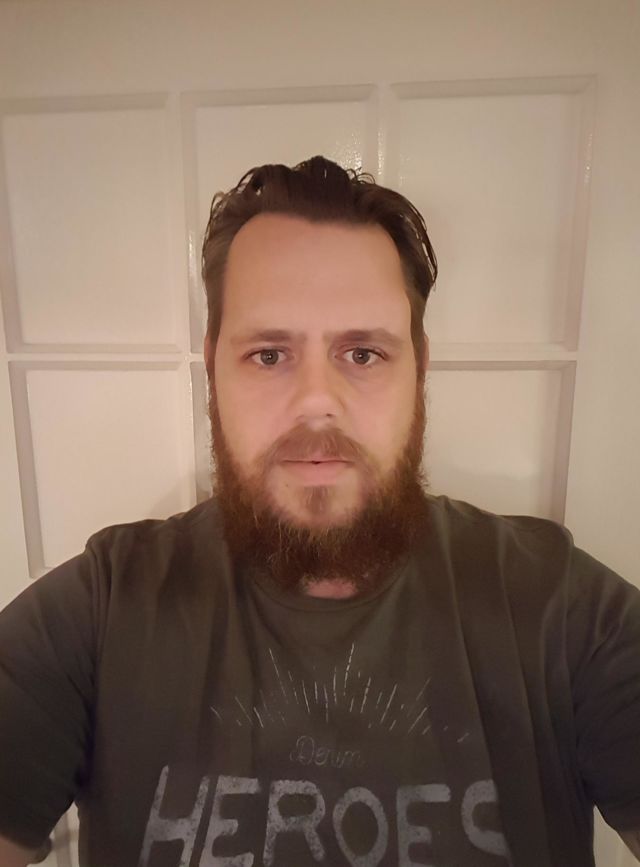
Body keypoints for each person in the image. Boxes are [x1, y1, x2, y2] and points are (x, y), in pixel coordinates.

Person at [0, 156, 639, 867]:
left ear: (419, 368)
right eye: (269, 355)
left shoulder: (563, 612)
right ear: (213, 368)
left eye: (362, 353)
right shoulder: (99, 611)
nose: (316, 402)